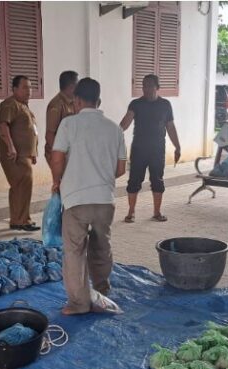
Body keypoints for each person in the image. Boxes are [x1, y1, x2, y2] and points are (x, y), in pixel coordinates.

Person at [50, 78, 127, 316]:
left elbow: (57, 157)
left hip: (76, 199)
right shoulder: (115, 128)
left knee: (74, 251)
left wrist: (57, 182)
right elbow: (121, 168)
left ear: (78, 100)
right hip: (105, 199)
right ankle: (102, 288)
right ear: (98, 101)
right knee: (102, 244)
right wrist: (101, 174)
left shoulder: (69, 124)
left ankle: (79, 303)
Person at [120, 74, 181, 223]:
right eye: (144, 85)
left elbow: (170, 127)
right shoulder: (136, 104)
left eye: (149, 86)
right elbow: (124, 124)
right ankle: (131, 212)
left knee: (157, 180)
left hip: (157, 149)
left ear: (157, 87)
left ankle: (157, 212)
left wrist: (177, 147)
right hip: (139, 149)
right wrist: (112, 137)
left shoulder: (165, 105)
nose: (146, 89)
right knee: (134, 180)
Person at [0, 75, 40, 232]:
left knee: (20, 187)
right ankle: (22, 221)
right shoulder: (9, 104)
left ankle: (17, 220)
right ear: (14, 89)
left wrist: (33, 152)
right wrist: (10, 147)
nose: (29, 90)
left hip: (25, 155)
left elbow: (30, 131)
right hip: (15, 155)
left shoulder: (24, 106)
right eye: (24, 87)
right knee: (22, 186)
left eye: (30, 87)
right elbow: (3, 126)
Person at [44, 70, 78, 165]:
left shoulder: (73, 102)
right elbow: (49, 135)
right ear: (72, 86)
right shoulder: (56, 105)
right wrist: (62, 154)